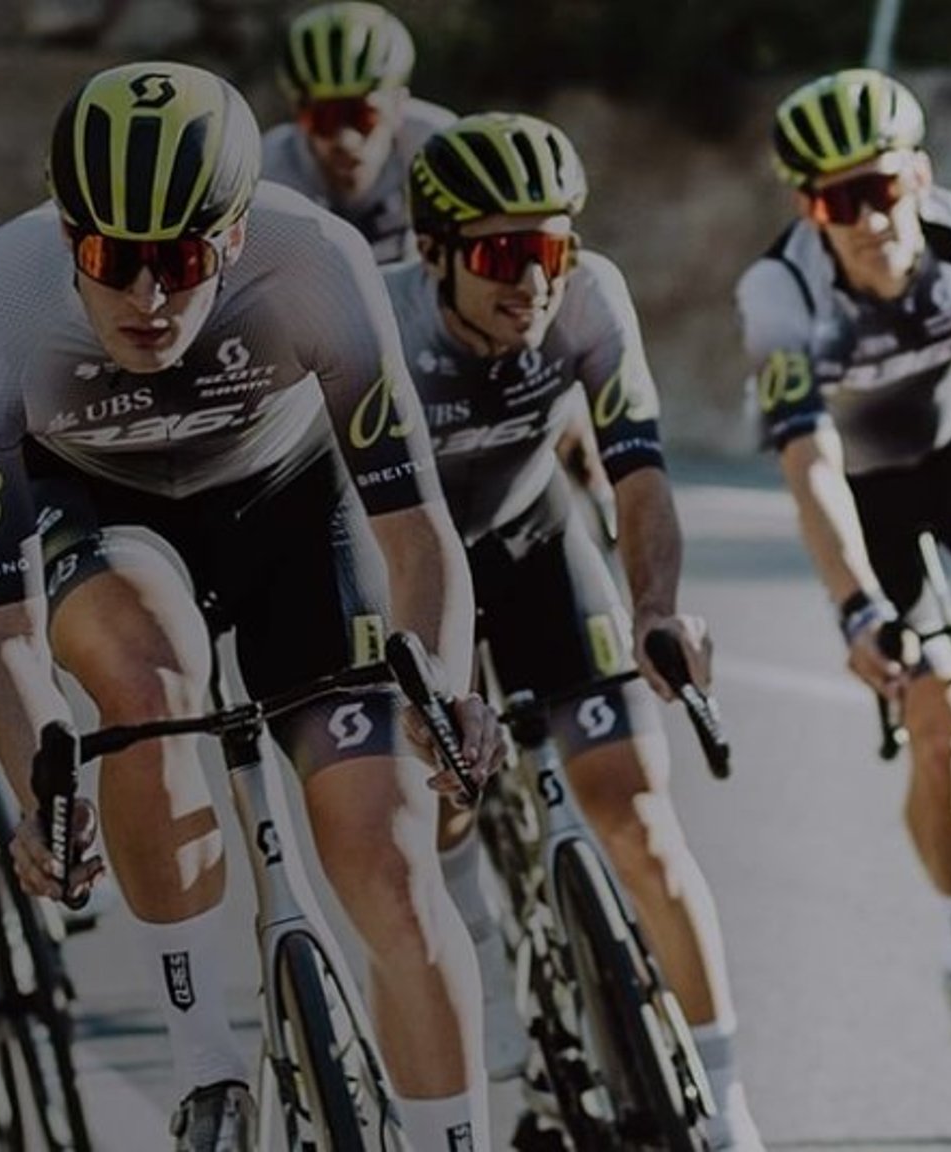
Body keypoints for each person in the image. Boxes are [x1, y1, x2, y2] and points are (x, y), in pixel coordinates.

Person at [0, 62, 507, 1152]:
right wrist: (35, 788)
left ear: (233, 238)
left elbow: (415, 529)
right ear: (66, 234)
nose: (149, 298)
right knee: (146, 679)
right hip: (101, 509)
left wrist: (445, 687)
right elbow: (1, 632)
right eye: (113, 260)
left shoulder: (319, 264)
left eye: (184, 260)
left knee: (388, 863)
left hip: (293, 508)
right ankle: (207, 1070)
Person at [388, 112, 758, 1149]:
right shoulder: (378, 333)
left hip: (531, 535)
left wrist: (655, 612)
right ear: (434, 252)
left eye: (551, 250)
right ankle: (480, 941)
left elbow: (637, 470)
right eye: (504, 255)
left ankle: (725, 1103)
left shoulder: (591, 298)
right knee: (441, 787)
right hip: (412, 563)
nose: (535, 282)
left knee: (636, 820)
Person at [738, 67, 951, 1094]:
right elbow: (810, 464)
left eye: (883, 187)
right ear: (807, 209)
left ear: (920, 173)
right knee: (942, 731)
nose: (870, 219)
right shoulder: (782, 292)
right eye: (838, 201)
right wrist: (855, 604)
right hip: (867, 497)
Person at [262, 2, 457, 264]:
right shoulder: (268, 172)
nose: (345, 139)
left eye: (363, 115)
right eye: (323, 118)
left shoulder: (440, 145)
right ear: (298, 116)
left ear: (399, 106)